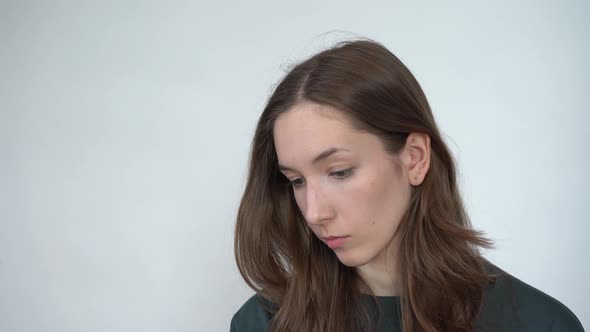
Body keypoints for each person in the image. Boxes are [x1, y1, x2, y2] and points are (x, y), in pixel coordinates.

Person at [230, 38, 584, 332]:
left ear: (414, 158)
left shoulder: (539, 324)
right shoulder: (264, 323)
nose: (314, 212)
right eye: (296, 181)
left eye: (339, 172)